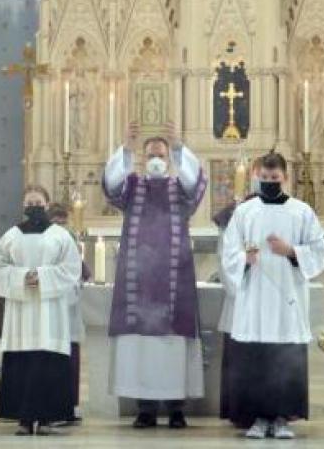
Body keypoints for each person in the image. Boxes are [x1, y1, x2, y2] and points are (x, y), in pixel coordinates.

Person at [102, 121, 208, 430]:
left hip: (175, 274)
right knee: (140, 346)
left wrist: (178, 147)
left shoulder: (180, 189)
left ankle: (177, 408)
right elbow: (111, 186)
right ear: (142, 159)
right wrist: (125, 148)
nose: (156, 159)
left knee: (173, 343)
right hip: (138, 278)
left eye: (161, 154)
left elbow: (196, 182)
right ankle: (145, 408)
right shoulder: (132, 186)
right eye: (150, 155)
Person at [221, 152, 324, 440]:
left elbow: (319, 251)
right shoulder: (246, 211)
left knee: (285, 356)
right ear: (257, 176)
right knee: (256, 357)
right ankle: (256, 418)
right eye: (265, 178)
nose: (269, 182)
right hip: (255, 294)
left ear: (285, 177)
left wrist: (291, 251)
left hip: (286, 297)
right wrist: (244, 258)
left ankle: (282, 418)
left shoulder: (301, 211)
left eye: (275, 178)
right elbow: (229, 250)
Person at [0, 186, 81, 436]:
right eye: (29, 202)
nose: (34, 206)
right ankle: (24, 418)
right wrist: (21, 278)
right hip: (21, 310)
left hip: (50, 309)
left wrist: (41, 277)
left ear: (47, 204)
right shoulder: (11, 235)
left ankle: (48, 417)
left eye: (38, 202)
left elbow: (72, 268)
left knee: (48, 361)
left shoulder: (60, 235)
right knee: (23, 362)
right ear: (23, 207)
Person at [212, 157, 263, 424]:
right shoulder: (233, 217)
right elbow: (226, 256)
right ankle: (240, 412)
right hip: (242, 298)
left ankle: (268, 411)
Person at [47, 202, 91, 425]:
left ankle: (69, 407)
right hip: (50, 307)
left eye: (63, 222)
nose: (60, 227)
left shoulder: (71, 240)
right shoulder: (43, 242)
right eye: (56, 222)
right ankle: (55, 406)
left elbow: (83, 272)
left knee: (71, 358)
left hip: (69, 308)